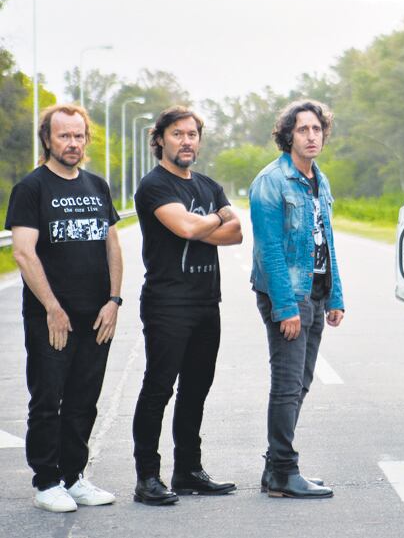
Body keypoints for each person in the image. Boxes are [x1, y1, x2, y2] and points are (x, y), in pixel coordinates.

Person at [6, 104, 122, 512]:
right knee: (48, 398)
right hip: (51, 318)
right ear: (47, 139)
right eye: (64, 136)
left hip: (97, 316)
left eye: (78, 136)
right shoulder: (31, 188)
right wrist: (53, 307)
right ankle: (46, 482)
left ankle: (74, 477)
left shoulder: (97, 185)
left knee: (83, 400)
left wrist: (114, 300)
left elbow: (111, 244)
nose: (72, 143)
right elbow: (23, 253)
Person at [131, 106, 242, 505]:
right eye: (177, 134)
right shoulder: (154, 185)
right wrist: (212, 220)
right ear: (160, 139)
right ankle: (147, 478)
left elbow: (237, 234)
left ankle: (188, 471)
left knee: (196, 388)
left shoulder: (207, 185)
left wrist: (201, 226)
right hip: (167, 303)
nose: (186, 141)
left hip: (205, 302)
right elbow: (188, 227)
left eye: (192, 134)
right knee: (159, 388)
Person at [249, 100, 344, 499]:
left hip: (316, 294)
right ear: (288, 135)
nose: (311, 136)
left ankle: (276, 470)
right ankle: (285, 471)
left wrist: (335, 294)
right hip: (287, 295)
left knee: (301, 382)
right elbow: (270, 249)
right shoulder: (271, 182)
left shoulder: (319, 181)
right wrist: (285, 307)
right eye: (303, 129)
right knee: (287, 385)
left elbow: (326, 242)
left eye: (317, 129)